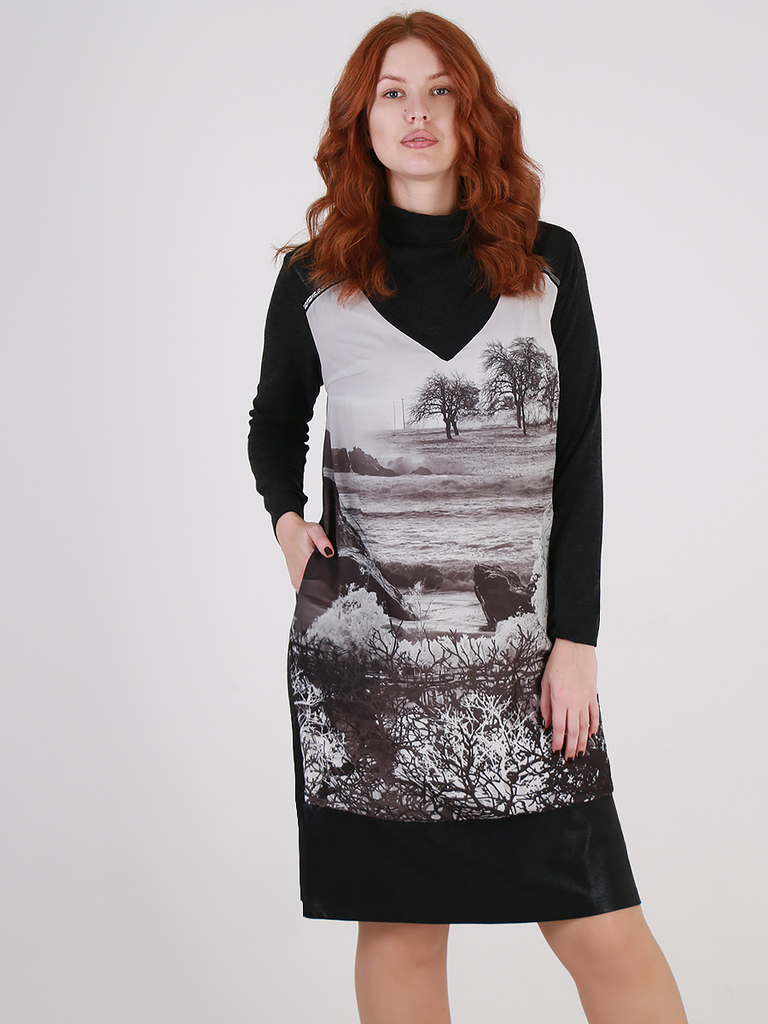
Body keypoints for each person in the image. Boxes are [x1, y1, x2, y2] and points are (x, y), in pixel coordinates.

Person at [247, 11, 688, 1023]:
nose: (418, 113)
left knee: (602, 926)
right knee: (400, 930)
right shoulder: (315, 279)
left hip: (526, 658)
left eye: (440, 91)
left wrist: (576, 640)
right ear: (362, 121)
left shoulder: (548, 263)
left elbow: (580, 464)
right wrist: (286, 521)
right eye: (393, 93)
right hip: (364, 664)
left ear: (472, 112)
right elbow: (273, 423)